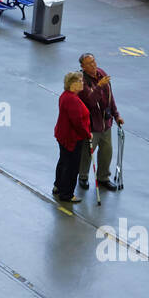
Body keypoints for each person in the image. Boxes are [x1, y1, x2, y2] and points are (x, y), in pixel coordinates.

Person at [76, 53, 123, 192]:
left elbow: (110, 98)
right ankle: (83, 176)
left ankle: (103, 178)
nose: (93, 65)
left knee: (106, 152)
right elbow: (90, 101)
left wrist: (116, 115)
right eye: (89, 63)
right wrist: (99, 86)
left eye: (94, 61)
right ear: (83, 67)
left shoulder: (102, 74)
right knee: (87, 152)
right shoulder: (82, 81)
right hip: (92, 125)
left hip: (106, 124)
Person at [53, 70, 91, 204]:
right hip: (72, 138)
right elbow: (77, 123)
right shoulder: (73, 100)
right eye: (80, 81)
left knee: (63, 162)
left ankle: (58, 186)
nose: (83, 83)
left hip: (62, 135)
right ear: (72, 85)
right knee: (72, 166)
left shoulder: (65, 96)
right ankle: (67, 193)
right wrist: (87, 134)